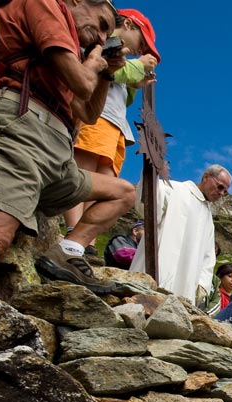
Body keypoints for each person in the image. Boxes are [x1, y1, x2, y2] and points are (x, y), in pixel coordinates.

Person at [0, 0, 134, 299]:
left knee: (123, 192)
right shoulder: (45, 4)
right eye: (102, 24)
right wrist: (94, 64)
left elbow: (89, 113)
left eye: (108, 34)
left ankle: (67, 250)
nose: (102, 38)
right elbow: (80, 83)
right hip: (21, 127)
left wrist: (104, 74)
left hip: (54, 149)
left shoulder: (68, 57)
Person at [63, 8, 159, 247]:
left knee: (105, 184)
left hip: (114, 125)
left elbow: (122, 95)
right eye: (142, 41)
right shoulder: (102, 42)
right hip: (96, 119)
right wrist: (137, 65)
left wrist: (135, 83)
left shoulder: (125, 60)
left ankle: (87, 240)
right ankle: (73, 229)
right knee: (84, 175)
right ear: (128, 24)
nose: (142, 50)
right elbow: (107, 69)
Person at [130, 164, 232, 305]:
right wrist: (150, 172)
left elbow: (208, 257)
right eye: (220, 187)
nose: (221, 193)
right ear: (206, 177)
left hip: (185, 284)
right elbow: (149, 208)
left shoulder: (208, 219)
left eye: (225, 191)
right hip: (157, 266)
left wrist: (202, 285)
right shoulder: (175, 190)